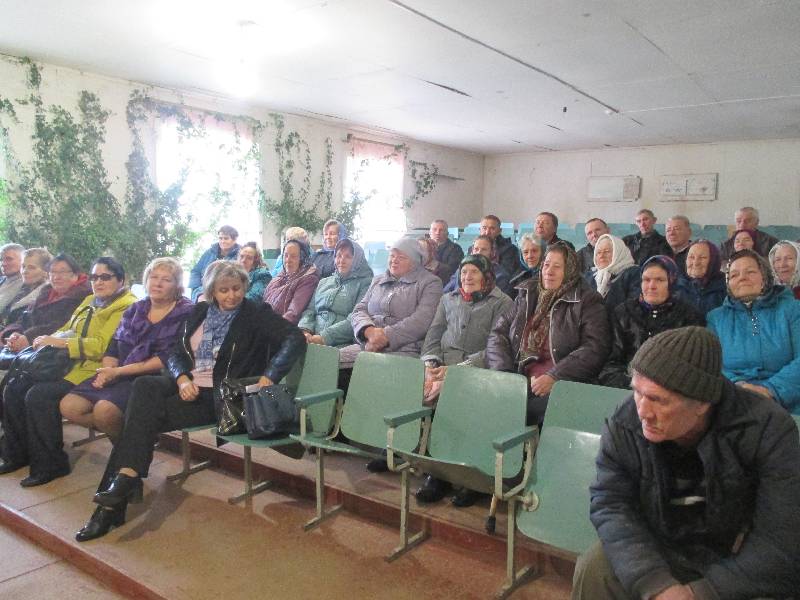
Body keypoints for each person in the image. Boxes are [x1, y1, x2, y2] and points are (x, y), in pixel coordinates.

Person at [76, 260, 306, 542]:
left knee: (138, 423)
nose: (231, 295)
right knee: (145, 386)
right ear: (212, 291)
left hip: (220, 396)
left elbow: (295, 338)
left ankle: (112, 502)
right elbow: (176, 353)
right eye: (223, 290)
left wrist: (270, 375)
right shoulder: (200, 312)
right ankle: (124, 483)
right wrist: (182, 379)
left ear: (245, 287)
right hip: (188, 386)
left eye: (236, 288)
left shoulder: (256, 313)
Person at [573, 327, 800, 600]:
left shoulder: (767, 429)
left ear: (702, 403)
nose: (643, 411)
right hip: (664, 546)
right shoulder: (626, 422)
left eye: (657, 399)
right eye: (637, 392)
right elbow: (611, 503)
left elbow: (780, 541)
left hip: (737, 557)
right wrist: (654, 582)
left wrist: (700, 593)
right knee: (596, 568)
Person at [0, 257, 136, 487]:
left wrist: (61, 343)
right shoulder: (90, 300)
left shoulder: (127, 305)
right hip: (66, 363)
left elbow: (103, 345)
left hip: (93, 369)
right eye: (94, 277)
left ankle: (51, 463)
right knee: (15, 387)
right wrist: (46, 339)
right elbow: (69, 327)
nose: (98, 282)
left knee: (39, 396)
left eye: (105, 277)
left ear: (120, 280)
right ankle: (17, 453)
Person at [415, 253, 513, 506]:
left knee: (462, 402)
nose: (467, 277)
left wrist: (457, 372)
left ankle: (474, 479)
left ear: (486, 276)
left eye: (474, 272)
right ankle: (439, 475)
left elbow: (497, 346)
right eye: (464, 272)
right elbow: (433, 335)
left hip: (478, 371)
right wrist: (431, 365)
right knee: (423, 394)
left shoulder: (502, 302)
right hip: (442, 366)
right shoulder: (448, 299)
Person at [59, 258, 193, 439]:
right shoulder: (136, 308)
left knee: (104, 411)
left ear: (177, 285)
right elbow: (114, 345)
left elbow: (165, 358)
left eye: (166, 279)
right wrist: (107, 371)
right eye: (154, 277)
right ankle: (133, 439)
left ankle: (131, 447)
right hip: (119, 372)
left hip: (153, 378)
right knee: (69, 406)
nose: (158, 283)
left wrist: (117, 372)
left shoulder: (185, 312)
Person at [486, 242, 610, 425]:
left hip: (561, 385)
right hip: (519, 379)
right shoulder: (527, 294)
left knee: (512, 413)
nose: (549, 271)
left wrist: (555, 376)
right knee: (482, 401)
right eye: (546, 265)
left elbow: (595, 347)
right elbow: (498, 333)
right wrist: (503, 373)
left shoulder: (587, 301)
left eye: (557, 267)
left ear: (569, 270)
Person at [707, 249, 800, 414]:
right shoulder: (716, 318)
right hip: (734, 400)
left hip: (789, 401)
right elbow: (712, 365)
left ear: (765, 277)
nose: (742, 278)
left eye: (750, 272)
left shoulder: (792, 309)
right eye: (734, 275)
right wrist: (739, 387)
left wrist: (770, 390)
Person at [599, 256, 704, 389]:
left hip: (669, 388)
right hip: (627, 385)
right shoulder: (624, 312)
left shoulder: (688, 317)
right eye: (646, 280)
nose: (651, 286)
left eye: (659, 280)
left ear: (672, 282)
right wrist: (632, 385)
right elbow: (612, 362)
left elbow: (690, 367)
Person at [344, 237, 442, 368]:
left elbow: (422, 321)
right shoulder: (377, 280)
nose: (394, 260)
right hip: (367, 344)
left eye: (401, 257)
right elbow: (359, 310)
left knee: (374, 368)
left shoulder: (430, 283)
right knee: (328, 362)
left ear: (415, 263)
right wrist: (369, 331)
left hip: (405, 350)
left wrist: (385, 337)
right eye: (392, 255)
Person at [1, 254, 91, 350]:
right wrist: (14, 333)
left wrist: (28, 338)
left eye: (62, 272)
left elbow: (62, 326)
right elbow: (25, 317)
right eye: (52, 272)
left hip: (52, 349)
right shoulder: (47, 292)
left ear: (76, 274)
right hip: (26, 344)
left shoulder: (83, 296)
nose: (56, 277)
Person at [298, 238, 373, 347]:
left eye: (348, 256)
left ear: (357, 259)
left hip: (342, 343)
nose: (341, 260)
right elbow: (310, 310)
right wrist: (305, 331)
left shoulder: (366, 284)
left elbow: (356, 319)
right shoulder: (323, 282)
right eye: (339, 255)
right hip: (312, 339)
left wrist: (323, 338)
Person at [263, 239, 320, 325]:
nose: (288, 260)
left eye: (293, 256)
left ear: (302, 259)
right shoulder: (281, 276)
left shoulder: (308, 279)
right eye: (286, 255)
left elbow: (293, 314)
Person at [443, 235, 513, 297]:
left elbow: (495, 301)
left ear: (492, 253)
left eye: (484, 250)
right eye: (476, 249)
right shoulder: (460, 270)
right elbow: (446, 292)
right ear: (472, 251)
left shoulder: (501, 276)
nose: (479, 252)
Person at [587, 234, 641, 313]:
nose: (601, 256)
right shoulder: (589, 277)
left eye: (607, 251)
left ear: (618, 252)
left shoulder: (634, 273)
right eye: (598, 252)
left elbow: (633, 304)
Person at [0, 248, 52, 329]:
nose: (24, 271)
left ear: (46, 271)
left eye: (32, 267)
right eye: (23, 266)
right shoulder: (22, 288)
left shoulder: (47, 295)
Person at [188, 225, 240, 301]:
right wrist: (197, 291)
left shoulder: (241, 255)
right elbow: (195, 271)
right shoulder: (209, 252)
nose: (222, 241)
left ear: (234, 240)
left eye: (226, 238)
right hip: (203, 290)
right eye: (220, 238)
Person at [679, 240, 727, 316]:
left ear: (714, 261)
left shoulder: (727, 288)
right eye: (691, 257)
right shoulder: (678, 287)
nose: (695, 263)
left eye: (702, 257)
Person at [479, 214, 522, 279]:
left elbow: (505, 274)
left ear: (499, 231)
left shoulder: (510, 249)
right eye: (484, 228)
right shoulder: (473, 248)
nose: (487, 232)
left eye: (492, 228)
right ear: (479, 230)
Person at [0, 243, 24, 314]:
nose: (3, 264)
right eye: (1, 260)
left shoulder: (26, 285)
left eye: (9, 259)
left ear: (23, 260)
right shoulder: (2, 280)